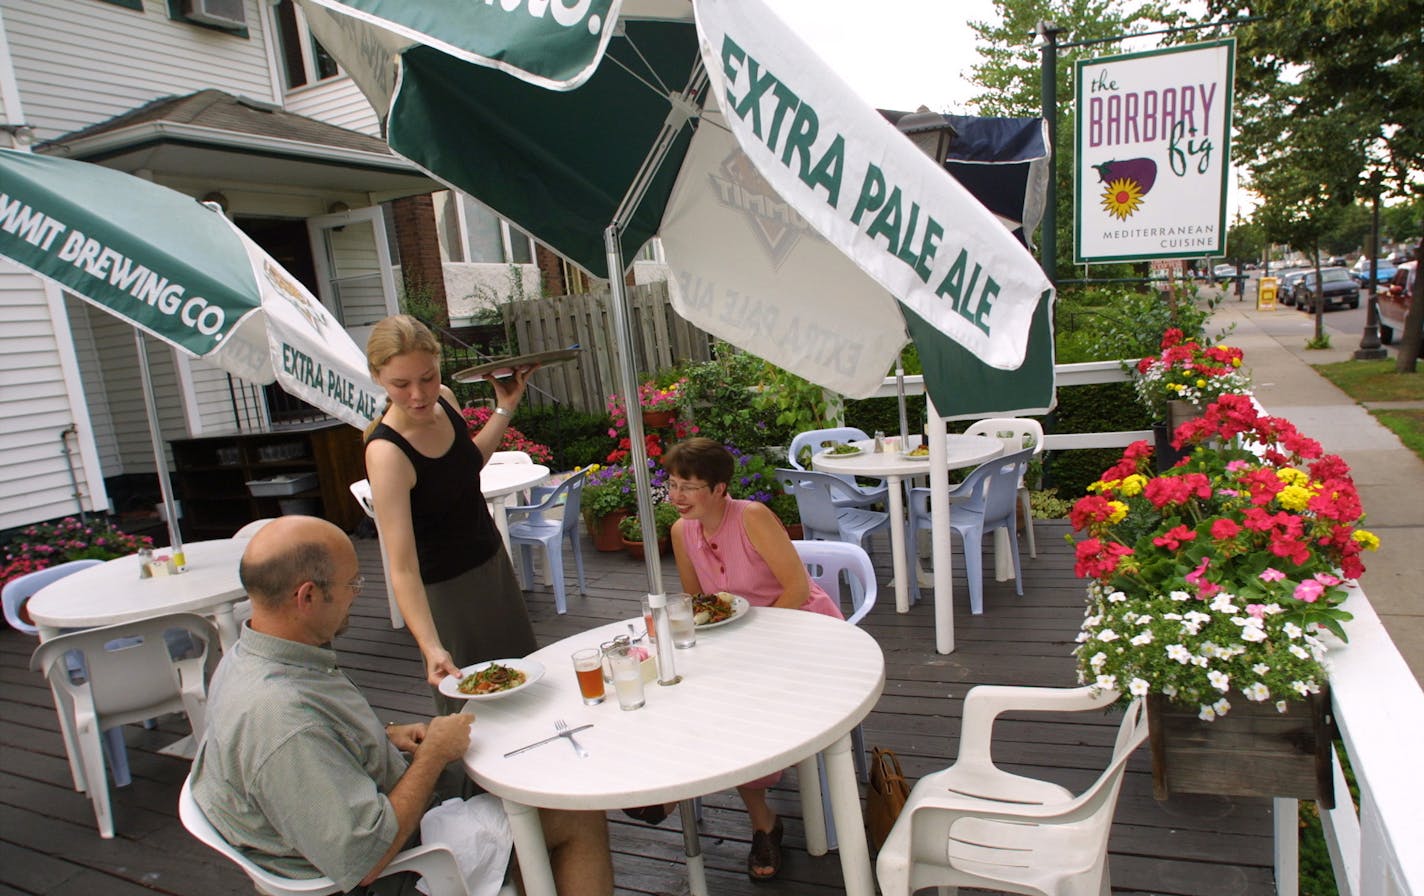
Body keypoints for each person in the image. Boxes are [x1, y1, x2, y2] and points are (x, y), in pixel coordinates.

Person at [189, 515, 613, 896]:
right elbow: (366, 859)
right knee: (575, 815)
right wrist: (431, 757)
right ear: (307, 597)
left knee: (519, 754)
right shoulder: (283, 719)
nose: (357, 595)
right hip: (391, 871)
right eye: (352, 585)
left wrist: (384, 736)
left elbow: (312, 756)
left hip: (356, 809)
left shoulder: (247, 659)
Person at [662, 437, 843, 882]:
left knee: (744, 707)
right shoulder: (681, 532)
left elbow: (797, 589)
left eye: (690, 486)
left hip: (800, 630)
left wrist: (750, 643)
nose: (677, 496)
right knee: (685, 690)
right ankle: (687, 789)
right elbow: (697, 601)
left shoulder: (753, 518)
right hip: (737, 639)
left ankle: (755, 819)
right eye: (671, 484)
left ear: (720, 488)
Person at [363, 314, 537, 713]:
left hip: (493, 568)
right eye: (400, 385)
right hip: (446, 595)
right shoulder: (387, 453)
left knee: (525, 690)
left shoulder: (445, 399)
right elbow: (403, 567)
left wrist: (504, 408)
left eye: (427, 377)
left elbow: (466, 465)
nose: (419, 395)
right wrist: (430, 645)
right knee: (475, 714)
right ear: (377, 377)